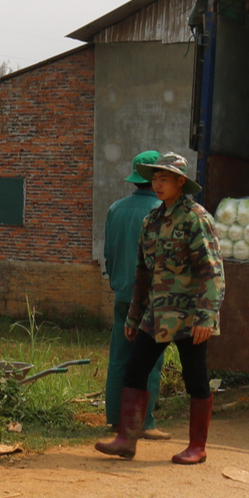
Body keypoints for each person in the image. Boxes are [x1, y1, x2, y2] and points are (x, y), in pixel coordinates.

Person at [96, 152, 224, 465]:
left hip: (190, 314)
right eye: (155, 178)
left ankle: (197, 446)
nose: (157, 184)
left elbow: (212, 271)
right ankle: (126, 439)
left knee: (195, 377)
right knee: (136, 369)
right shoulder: (151, 221)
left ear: (181, 182)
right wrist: (134, 316)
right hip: (156, 314)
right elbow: (143, 273)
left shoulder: (196, 218)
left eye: (164, 178)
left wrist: (206, 316)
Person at [101, 150, 170, 441]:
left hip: (121, 294)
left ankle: (116, 417)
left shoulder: (116, 209)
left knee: (119, 355)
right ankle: (145, 422)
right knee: (150, 360)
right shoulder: (160, 212)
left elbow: (108, 254)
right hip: (151, 297)